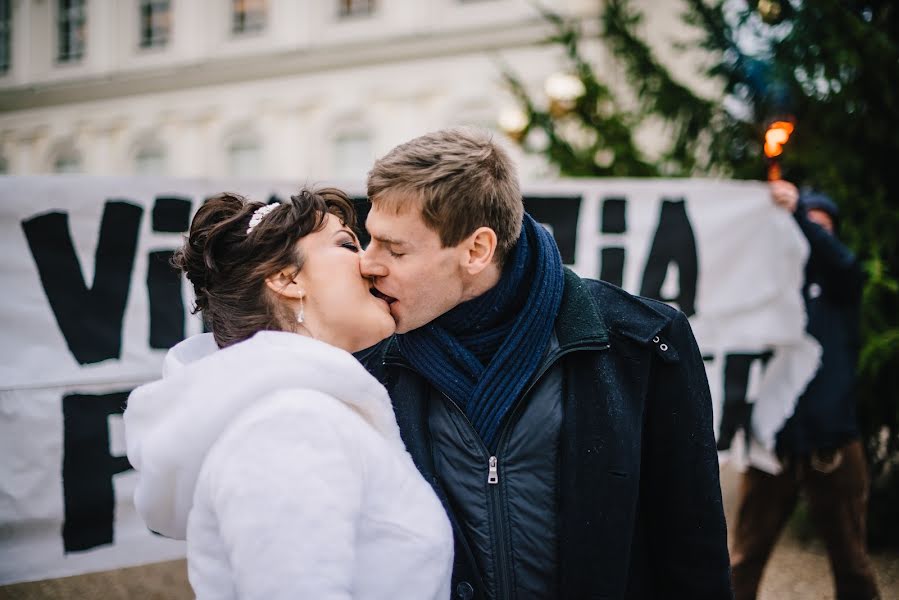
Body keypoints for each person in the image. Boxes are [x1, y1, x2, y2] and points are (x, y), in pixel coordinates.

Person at [357, 127, 732, 599]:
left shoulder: (645, 343)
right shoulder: (367, 358)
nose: (368, 264)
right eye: (369, 240)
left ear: (476, 250)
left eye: (394, 249)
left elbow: (692, 549)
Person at [124, 188, 453, 599]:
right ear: (287, 278)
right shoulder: (289, 427)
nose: (370, 262)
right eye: (347, 244)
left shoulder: (307, 413)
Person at [729, 180, 880, 599]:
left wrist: (798, 213)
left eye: (822, 225)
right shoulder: (768, 288)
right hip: (771, 445)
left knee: (851, 561)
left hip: (832, 444)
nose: (812, 232)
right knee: (744, 559)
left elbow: (844, 264)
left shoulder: (841, 286)